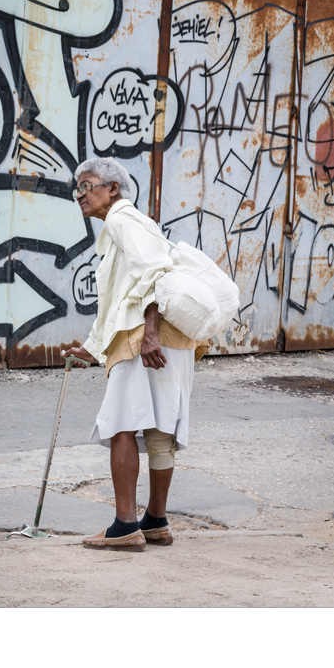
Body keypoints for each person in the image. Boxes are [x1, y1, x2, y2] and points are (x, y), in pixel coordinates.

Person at [63, 158, 207, 552]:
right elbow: (116, 299)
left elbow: (155, 273)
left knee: (122, 425)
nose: (80, 195)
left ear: (113, 188)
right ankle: (156, 521)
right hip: (170, 339)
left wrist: (149, 333)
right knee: (160, 431)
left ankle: (125, 526)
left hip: (146, 336)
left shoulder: (122, 220)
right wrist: (93, 347)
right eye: (77, 189)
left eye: (87, 185)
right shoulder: (130, 225)